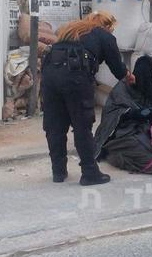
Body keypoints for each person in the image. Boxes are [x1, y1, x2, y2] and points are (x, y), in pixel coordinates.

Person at [41, 11, 135, 185]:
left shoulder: (70, 29)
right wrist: (128, 76)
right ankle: (90, 173)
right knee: (82, 125)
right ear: (107, 26)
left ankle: (58, 172)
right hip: (75, 77)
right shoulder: (104, 35)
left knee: (55, 125)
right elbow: (117, 68)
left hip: (50, 74)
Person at [94, 56, 152, 174]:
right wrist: (133, 114)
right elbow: (111, 115)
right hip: (123, 134)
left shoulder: (150, 88)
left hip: (146, 130)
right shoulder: (123, 87)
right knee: (135, 146)